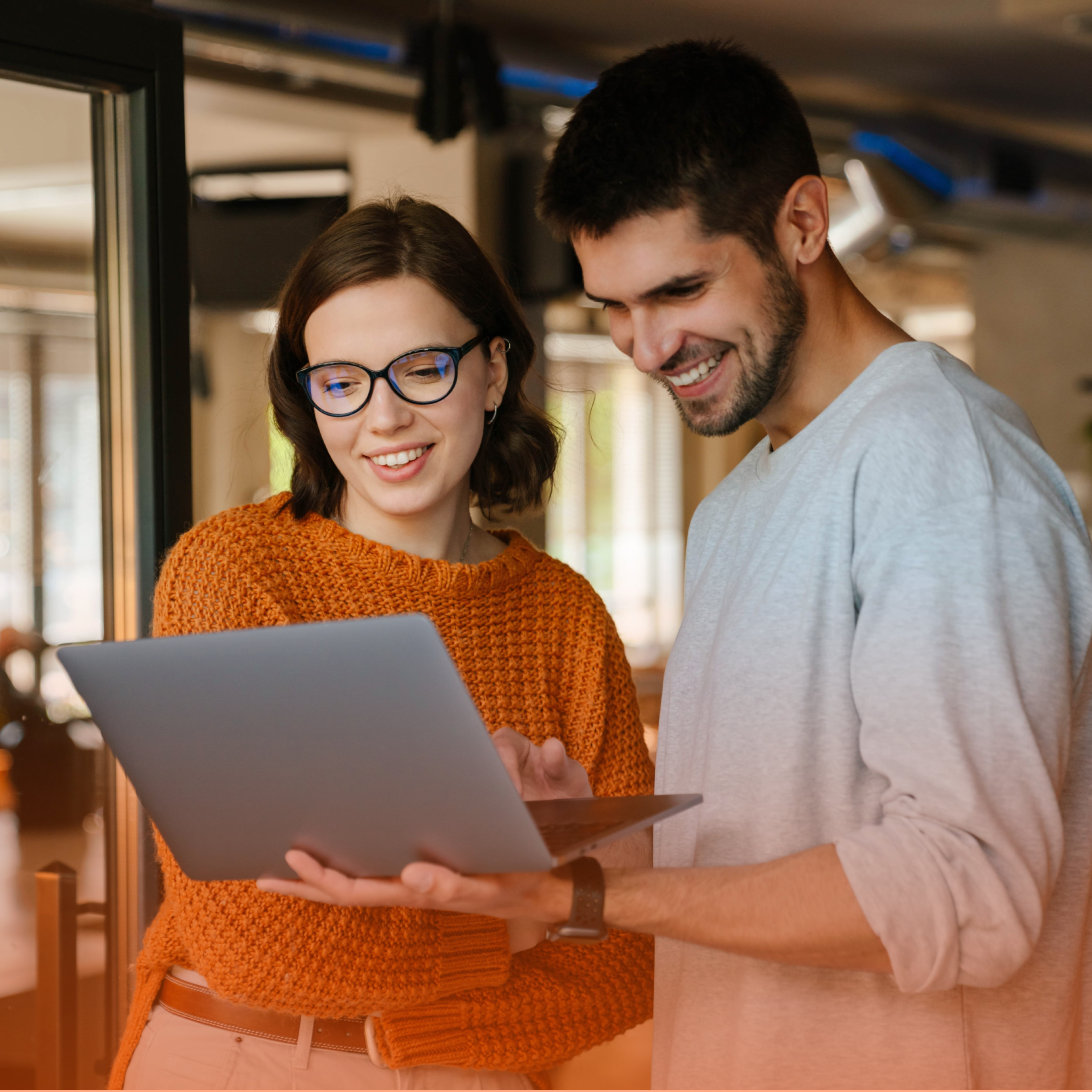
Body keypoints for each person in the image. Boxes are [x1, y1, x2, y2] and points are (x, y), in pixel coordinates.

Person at [258, 41, 1092, 1090]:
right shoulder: (741, 505)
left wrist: (584, 900)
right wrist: (576, 846)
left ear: (802, 222)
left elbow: (972, 892)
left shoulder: (942, 470)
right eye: (613, 306)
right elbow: (752, 872)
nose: (646, 347)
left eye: (679, 289)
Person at [109, 195, 655, 1090]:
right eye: (343, 381)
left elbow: (626, 961)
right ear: (310, 397)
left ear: (491, 370)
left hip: (471, 1075)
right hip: (241, 1059)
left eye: (422, 369)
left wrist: (536, 916)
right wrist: (532, 912)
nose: (384, 416)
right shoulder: (237, 573)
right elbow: (254, 943)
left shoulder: (565, 617)